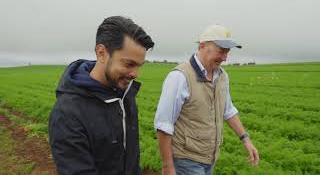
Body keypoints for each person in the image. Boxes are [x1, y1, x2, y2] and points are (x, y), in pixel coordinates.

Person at [49, 16, 154, 175]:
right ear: (102, 53)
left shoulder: (125, 95)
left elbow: (132, 157)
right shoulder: (67, 113)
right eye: (128, 64)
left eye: (139, 66)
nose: (135, 74)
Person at [154, 24, 259, 175]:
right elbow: (164, 124)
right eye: (221, 51)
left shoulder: (222, 76)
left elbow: (228, 110)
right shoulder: (180, 77)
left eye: (227, 52)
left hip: (209, 158)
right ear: (202, 46)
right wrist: (167, 167)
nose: (225, 58)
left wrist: (246, 140)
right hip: (185, 159)